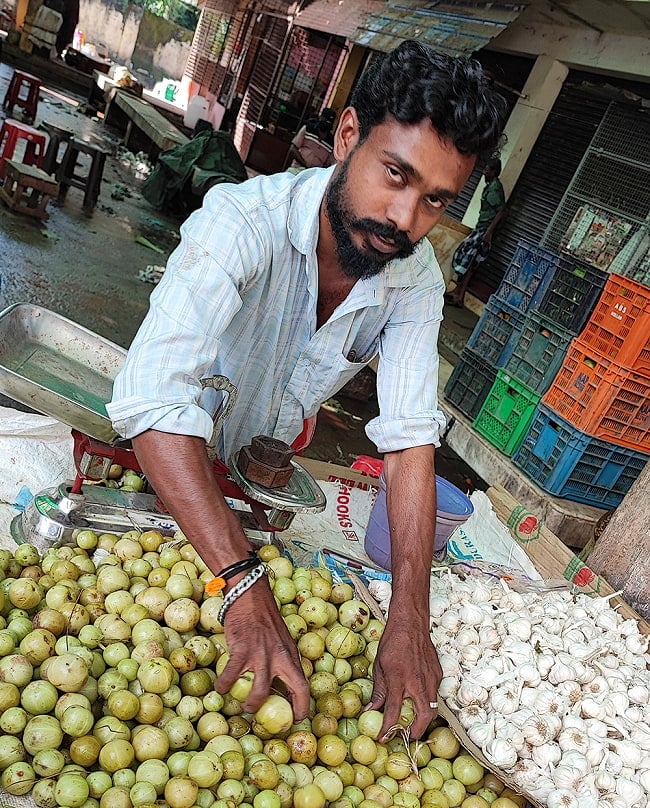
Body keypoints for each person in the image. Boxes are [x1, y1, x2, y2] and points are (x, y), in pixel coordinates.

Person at [108, 40, 507, 741]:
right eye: (394, 174)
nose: (404, 219)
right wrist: (241, 582)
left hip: (251, 488)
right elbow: (151, 400)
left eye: (434, 200)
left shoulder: (411, 281)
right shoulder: (240, 223)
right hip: (167, 471)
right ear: (347, 135)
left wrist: (408, 616)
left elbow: (411, 439)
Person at [445, 157, 506, 307]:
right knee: (468, 263)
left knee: (468, 261)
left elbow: (502, 211)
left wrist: (489, 233)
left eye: (486, 170)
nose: (484, 172)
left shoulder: (495, 188)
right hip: (481, 228)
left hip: (483, 231)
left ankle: (460, 295)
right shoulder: (490, 186)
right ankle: (459, 292)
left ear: (493, 171)